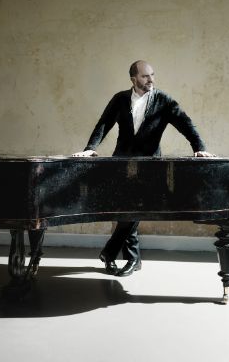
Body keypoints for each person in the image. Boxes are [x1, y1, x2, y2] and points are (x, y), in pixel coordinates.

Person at [72, 60, 214, 277]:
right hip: (121, 163)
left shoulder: (163, 100)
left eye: (153, 75)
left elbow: (186, 123)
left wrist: (199, 147)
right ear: (133, 79)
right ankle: (132, 259)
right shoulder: (120, 99)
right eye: (146, 76)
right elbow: (103, 124)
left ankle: (113, 253)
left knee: (135, 208)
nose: (151, 80)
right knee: (125, 210)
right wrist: (90, 148)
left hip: (149, 165)